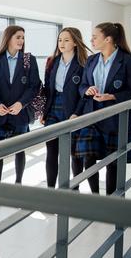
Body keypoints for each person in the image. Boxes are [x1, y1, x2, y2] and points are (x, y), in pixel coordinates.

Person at [77, 22, 131, 195]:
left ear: (108, 39)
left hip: (115, 119)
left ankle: (111, 200)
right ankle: (96, 197)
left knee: (112, 163)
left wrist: (111, 96)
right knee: (88, 158)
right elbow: (82, 85)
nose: (91, 40)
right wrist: (87, 90)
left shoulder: (128, 61)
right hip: (91, 116)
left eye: (94, 37)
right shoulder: (91, 60)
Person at [0, 25, 41, 184]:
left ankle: (18, 184)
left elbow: (34, 86)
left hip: (21, 113)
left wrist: (21, 104)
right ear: (8, 38)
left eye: (23, 37)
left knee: (20, 150)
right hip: (0, 113)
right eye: (18, 37)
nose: (21, 40)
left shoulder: (28, 59)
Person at [40, 27, 90, 188]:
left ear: (75, 42)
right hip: (54, 109)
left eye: (66, 40)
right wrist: (44, 111)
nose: (61, 43)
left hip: (74, 110)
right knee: (52, 150)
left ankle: (74, 190)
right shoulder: (52, 61)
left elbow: (85, 93)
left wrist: (77, 113)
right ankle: (50, 190)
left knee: (75, 154)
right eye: (60, 40)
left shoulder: (84, 64)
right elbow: (48, 89)